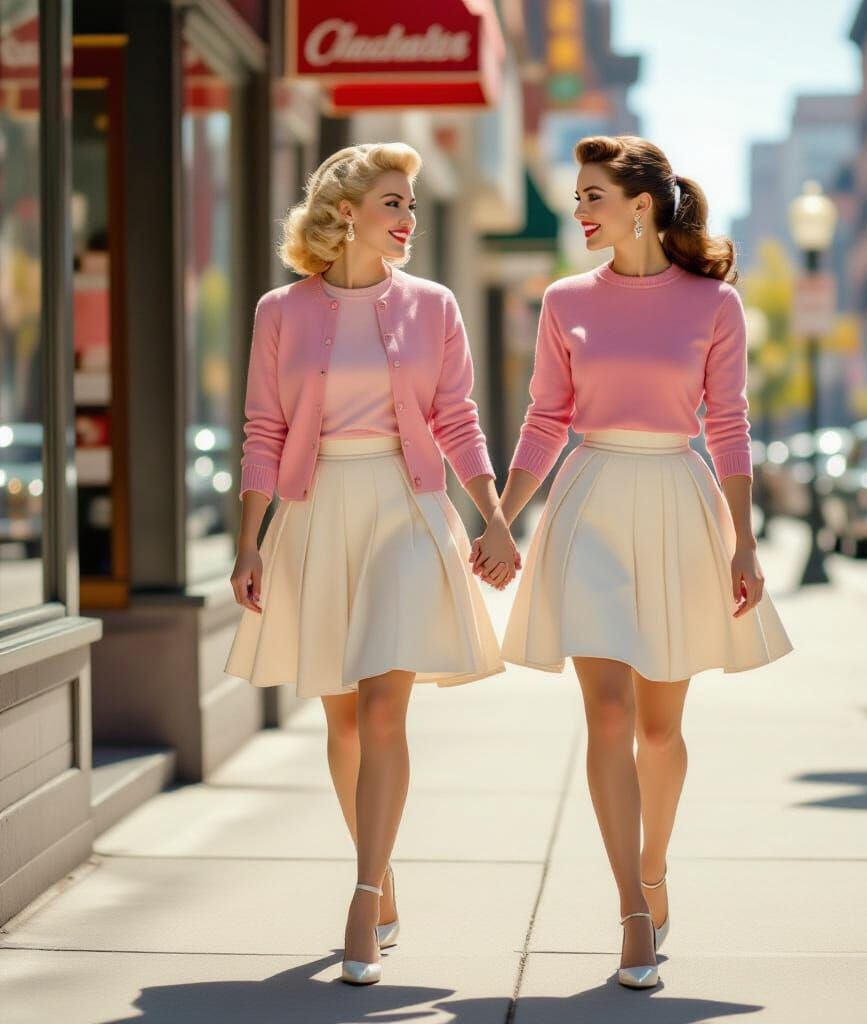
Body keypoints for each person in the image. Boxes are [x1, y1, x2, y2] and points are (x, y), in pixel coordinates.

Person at [472, 135, 793, 989]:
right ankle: (633, 913)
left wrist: (745, 541)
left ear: (640, 205)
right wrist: (502, 520)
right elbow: (544, 420)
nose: (580, 213)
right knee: (608, 718)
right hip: (590, 506)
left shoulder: (714, 306)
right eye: (578, 198)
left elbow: (728, 425)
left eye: (591, 198)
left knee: (660, 727)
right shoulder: (563, 300)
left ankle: (655, 865)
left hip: (680, 508)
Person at [225, 143, 516, 986]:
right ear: (345, 212)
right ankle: (381, 868)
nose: (409, 220)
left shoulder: (434, 306)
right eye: (395, 203)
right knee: (344, 720)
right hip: (316, 517)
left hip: (406, 511)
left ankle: (359, 896)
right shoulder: (279, 311)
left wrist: (492, 519)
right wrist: (249, 539)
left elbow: (459, 420)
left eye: (414, 205)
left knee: (385, 712)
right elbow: (263, 431)